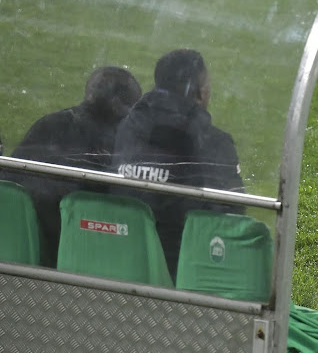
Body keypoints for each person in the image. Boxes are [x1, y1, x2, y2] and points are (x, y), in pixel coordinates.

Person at [111, 48, 245, 279]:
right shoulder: (214, 143)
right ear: (200, 94)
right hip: (183, 270)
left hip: (119, 255)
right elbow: (232, 214)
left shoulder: (124, 129)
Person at [2, 66, 142, 266]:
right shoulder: (114, 143)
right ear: (118, 106)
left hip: (17, 242)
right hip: (74, 253)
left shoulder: (47, 123)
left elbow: (9, 184)